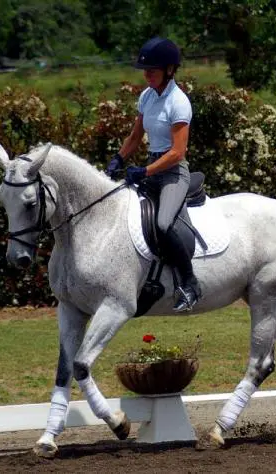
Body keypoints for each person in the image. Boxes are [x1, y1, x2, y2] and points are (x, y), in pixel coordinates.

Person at [105, 36, 201, 312]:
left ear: (169, 70)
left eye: (152, 70)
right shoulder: (146, 97)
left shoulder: (178, 102)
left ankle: (191, 283)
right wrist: (119, 158)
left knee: (162, 224)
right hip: (149, 169)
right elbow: (136, 137)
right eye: (145, 70)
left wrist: (145, 170)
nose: (146, 74)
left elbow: (177, 152)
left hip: (172, 174)